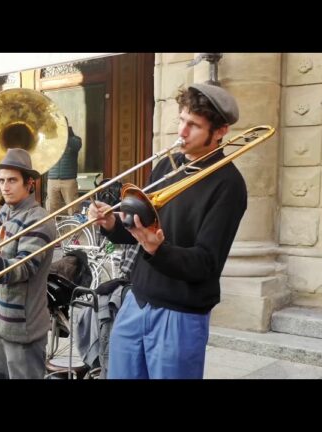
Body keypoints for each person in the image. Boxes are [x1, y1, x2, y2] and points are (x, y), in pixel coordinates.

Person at [88, 83, 246, 379]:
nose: (182, 132)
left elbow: (206, 263)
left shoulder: (228, 184)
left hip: (181, 314)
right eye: (181, 120)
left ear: (221, 131)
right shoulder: (166, 166)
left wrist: (157, 250)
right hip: (137, 300)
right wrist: (110, 224)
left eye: (193, 125)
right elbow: (139, 228)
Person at [0, 148, 56, 379]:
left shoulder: (38, 219)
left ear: (29, 183)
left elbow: (24, 268)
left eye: (12, 180)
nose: (5, 187)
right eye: (2, 180)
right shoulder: (6, 211)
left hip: (24, 329)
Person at [46, 117, 82, 215]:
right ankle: (52, 226)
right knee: (51, 211)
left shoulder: (75, 139)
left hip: (69, 180)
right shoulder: (52, 140)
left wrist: (66, 134)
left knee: (73, 210)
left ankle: (75, 226)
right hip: (52, 179)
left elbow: (76, 146)